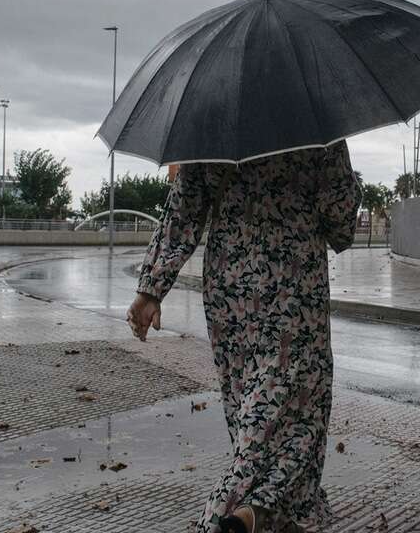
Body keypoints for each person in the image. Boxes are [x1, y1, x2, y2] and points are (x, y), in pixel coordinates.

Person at [127, 141, 360, 533]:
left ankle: (264, 514)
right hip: (294, 279)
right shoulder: (314, 117)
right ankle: (234, 511)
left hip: (230, 284)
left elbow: (183, 210)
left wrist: (151, 287)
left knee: (250, 402)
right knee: (298, 405)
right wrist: (350, 185)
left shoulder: (209, 119)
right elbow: (341, 224)